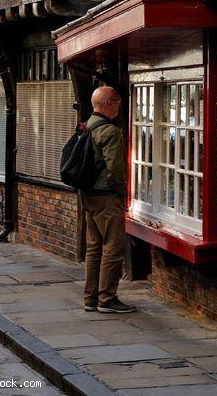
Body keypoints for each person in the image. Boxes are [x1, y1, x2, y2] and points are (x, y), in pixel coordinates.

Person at [80, 86, 136, 314]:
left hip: (88, 196)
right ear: (108, 104)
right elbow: (116, 168)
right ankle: (107, 298)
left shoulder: (86, 125)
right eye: (117, 102)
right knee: (113, 247)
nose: (119, 106)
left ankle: (90, 297)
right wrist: (122, 193)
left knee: (93, 248)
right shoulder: (110, 131)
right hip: (106, 196)